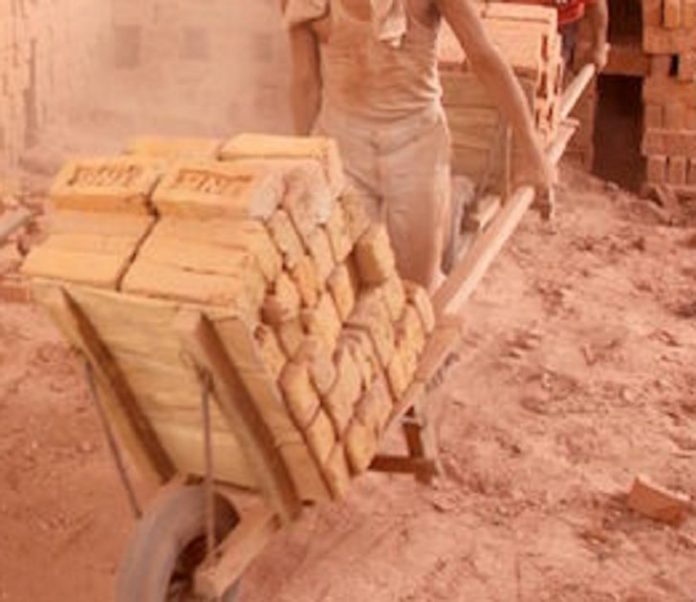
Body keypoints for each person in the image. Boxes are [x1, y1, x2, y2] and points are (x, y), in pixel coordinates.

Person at [281, 0, 554, 292]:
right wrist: (310, 159)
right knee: (349, 281)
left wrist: (533, 152)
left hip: (415, 143)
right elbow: (305, 82)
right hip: (344, 142)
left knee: (416, 288)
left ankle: (448, 206)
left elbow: (483, 56)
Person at [516, 0, 609, 69]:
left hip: (563, 25)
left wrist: (598, 47)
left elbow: (597, 5)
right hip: (520, 19)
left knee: (555, 69)